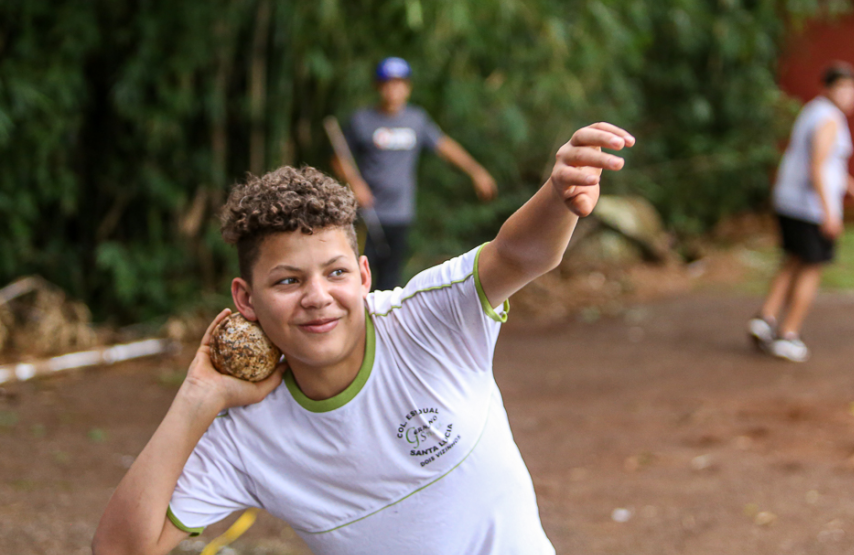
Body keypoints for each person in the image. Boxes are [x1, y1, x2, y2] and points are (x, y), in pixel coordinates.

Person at [92, 122, 635, 555]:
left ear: (364, 276)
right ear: (245, 300)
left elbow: (518, 254)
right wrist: (196, 398)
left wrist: (560, 191)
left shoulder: (425, 322)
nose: (316, 297)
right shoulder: (245, 433)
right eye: (287, 280)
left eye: (334, 273)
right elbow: (118, 549)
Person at [331, 56, 497, 291]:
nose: (393, 89)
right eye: (387, 82)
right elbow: (338, 155)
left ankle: (381, 328)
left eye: (399, 83)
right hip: (367, 214)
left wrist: (476, 171)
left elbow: (444, 146)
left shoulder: (416, 120)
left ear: (407, 87)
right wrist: (355, 182)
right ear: (378, 86)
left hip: (400, 213)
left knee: (391, 277)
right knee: (356, 273)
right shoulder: (362, 120)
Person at [748, 61, 854, 362]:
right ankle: (788, 334)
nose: (849, 95)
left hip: (788, 199)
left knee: (792, 259)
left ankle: (764, 319)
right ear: (828, 89)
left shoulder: (812, 111)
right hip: (809, 207)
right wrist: (829, 212)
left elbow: (831, 166)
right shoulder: (830, 118)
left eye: (852, 88)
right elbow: (818, 165)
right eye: (843, 88)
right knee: (811, 267)